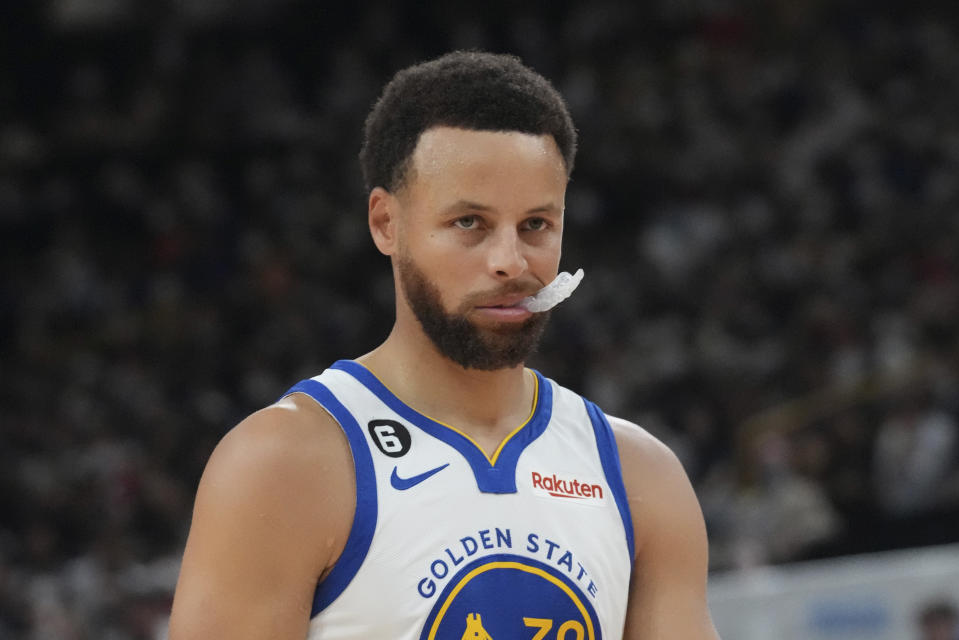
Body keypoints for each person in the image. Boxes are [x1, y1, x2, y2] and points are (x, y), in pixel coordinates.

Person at [168, 50, 719, 639]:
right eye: (469, 224)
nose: (511, 261)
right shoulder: (282, 466)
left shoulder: (641, 477)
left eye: (536, 224)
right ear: (386, 223)